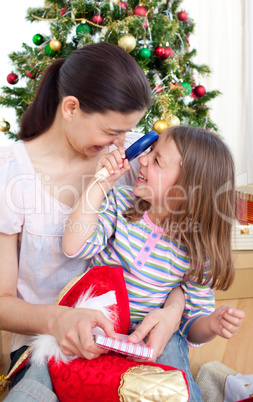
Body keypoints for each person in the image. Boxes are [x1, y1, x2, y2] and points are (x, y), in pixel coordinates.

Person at [0, 42, 187, 401]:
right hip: (45, 345)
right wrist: (57, 320)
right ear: (70, 108)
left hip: (127, 339)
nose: (122, 145)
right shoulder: (11, 173)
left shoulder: (134, 162)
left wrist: (173, 312)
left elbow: (171, 254)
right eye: (111, 132)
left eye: (127, 132)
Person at [62, 125, 245, 401]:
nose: (143, 160)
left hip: (152, 332)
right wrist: (100, 183)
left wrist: (212, 325)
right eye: (150, 151)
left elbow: (190, 323)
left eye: (157, 160)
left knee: (177, 384)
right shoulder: (120, 203)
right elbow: (75, 246)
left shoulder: (197, 250)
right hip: (99, 324)